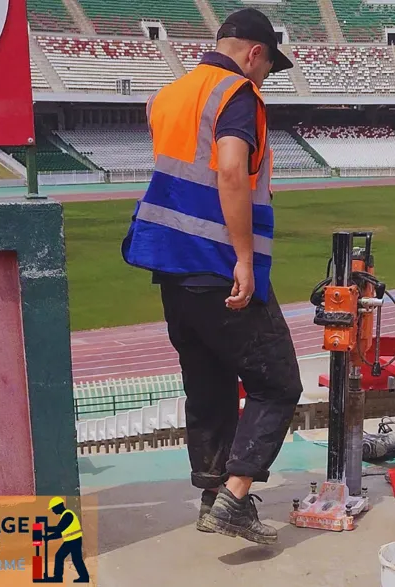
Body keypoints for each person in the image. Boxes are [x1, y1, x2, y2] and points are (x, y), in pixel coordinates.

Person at [121, 7, 303, 545]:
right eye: (267, 67)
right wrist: (243, 259)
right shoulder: (237, 93)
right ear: (254, 53)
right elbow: (229, 169)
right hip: (218, 264)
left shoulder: (168, 95)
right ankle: (235, 498)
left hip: (171, 267)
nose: (265, 78)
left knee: (209, 386)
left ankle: (210, 497)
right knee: (278, 383)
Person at [45, 497, 90, 583]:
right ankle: (84, 577)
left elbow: (59, 529)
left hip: (73, 541)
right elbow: (60, 532)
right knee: (73, 558)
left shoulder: (68, 515)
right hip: (72, 540)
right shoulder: (65, 515)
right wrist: (48, 536)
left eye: (53, 508)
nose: (53, 511)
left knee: (62, 556)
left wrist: (47, 531)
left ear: (58, 506)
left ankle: (58, 577)